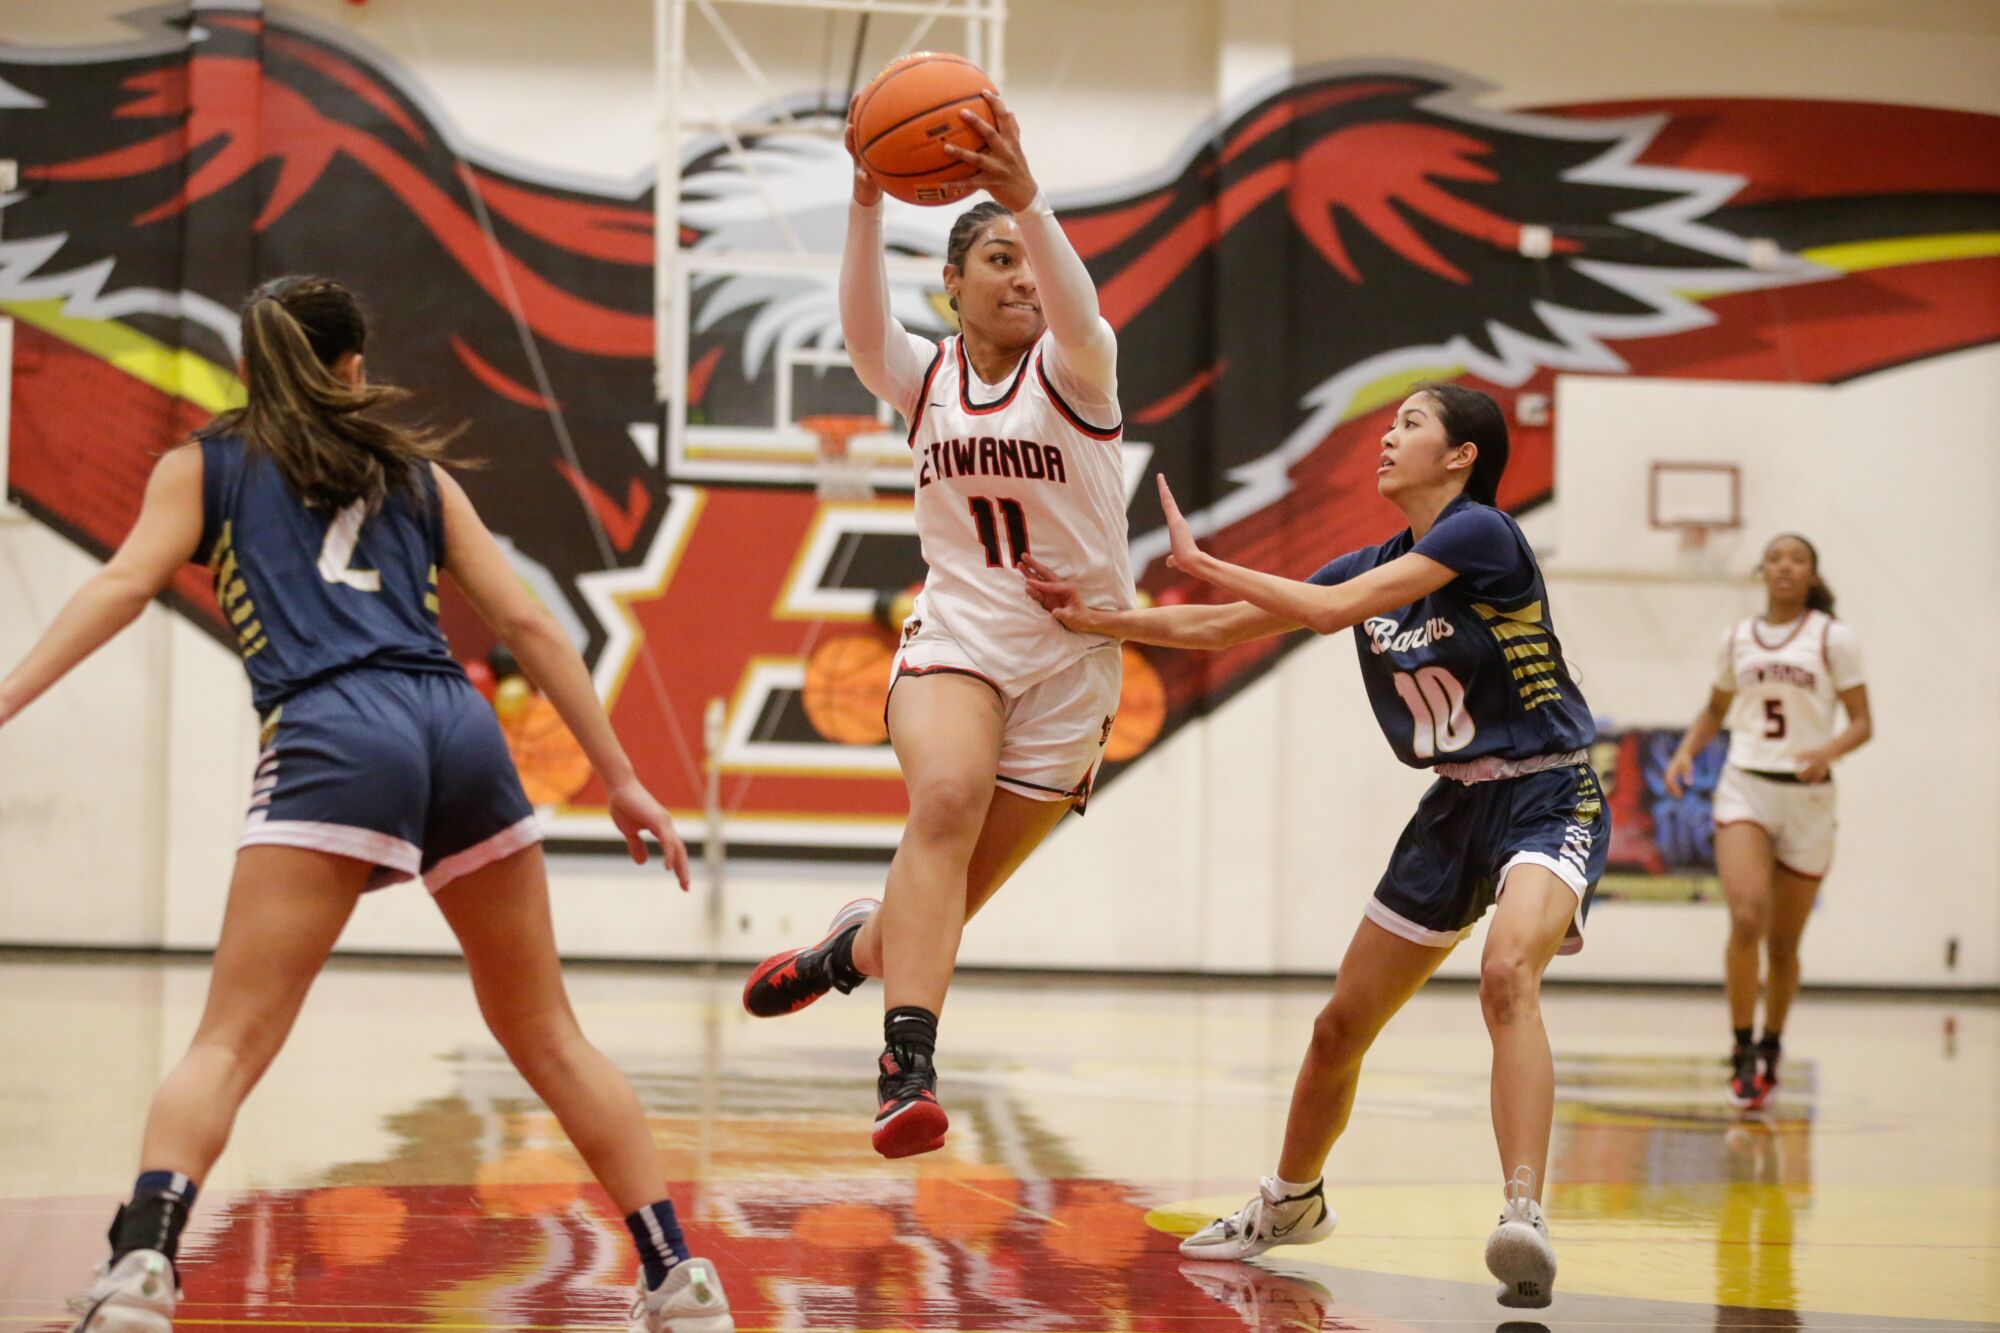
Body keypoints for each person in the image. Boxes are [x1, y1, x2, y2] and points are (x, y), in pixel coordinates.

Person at [0, 277, 733, 1333]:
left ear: (253, 368)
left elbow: (121, 585)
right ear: (352, 368)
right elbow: (525, 621)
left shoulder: (201, 468)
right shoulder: (416, 474)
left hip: (335, 729)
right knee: (549, 1034)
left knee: (230, 1040)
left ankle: (142, 1268)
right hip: (460, 725)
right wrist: (619, 775)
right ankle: (678, 1275)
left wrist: (12, 693)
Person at [1019, 385, 1605, 1310]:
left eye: (1411, 423)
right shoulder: (1372, 561)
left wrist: (1206, 559)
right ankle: (1291, 1199)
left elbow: (1333, 613)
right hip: (1453, 809)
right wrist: (1100, 620)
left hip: (1548, 788)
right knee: (1339, 1026)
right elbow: (1221, 628)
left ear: (1460, 456)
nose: (1388, 435)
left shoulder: (1484, 532)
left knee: (1506, 974)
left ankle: (1524, 1212)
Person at [739, 90, 1134, 1161]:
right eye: (993, 260)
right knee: (946, 798)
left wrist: (1028, 203)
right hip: (958, 637)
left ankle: (843, 953)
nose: (1018, 277)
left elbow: (1083, 309)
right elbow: (862, 326)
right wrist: (864, 200)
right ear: (950, 285)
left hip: (1073, 669)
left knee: (939, 900)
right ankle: (904, 1068)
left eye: (1025, 261)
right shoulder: (925, 380)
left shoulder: (1074, 370)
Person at [1663, 534, 1870, 1111]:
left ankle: (1773, 1044)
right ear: (1763, 571)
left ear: (1811, 573)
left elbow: (1862, 722)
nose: (1785, 566)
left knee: (1784, 943)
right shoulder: (1737, 639)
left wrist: (1828, 750)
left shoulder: (1833, 638)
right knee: (1747, 915)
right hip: (1746, 787)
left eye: (1797, 558)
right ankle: (1741, 1048)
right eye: (1776, 558)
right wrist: (1685, 752)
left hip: (1808, 800)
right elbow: (1715, 708)